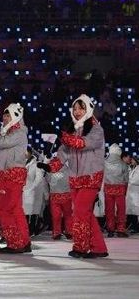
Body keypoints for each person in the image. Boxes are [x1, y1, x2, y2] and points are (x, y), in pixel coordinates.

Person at [56, 94, 108, 258]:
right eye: (75, 108)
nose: (77, 111)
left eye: (81, 108)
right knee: (84, 212)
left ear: (88, 109)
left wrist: (67, 138)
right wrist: (50, 166)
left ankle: (80, 246)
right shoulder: (72, 130)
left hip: (91, 176)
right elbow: (63, 154)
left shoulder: (96, 129)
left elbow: (83, 144)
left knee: (79, 211)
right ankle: (99, 248)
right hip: (75, 178)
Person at [0, 103, 31, 253]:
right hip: (8, 175)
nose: (4, 118)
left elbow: (2, 143)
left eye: (7, 115)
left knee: (3, 208)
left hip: (12, 175)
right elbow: (0, 151)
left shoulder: (19, 132)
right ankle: (24, 242)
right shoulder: (9, 133)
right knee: (16, 210)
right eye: (4, 116)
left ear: (15, 116)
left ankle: (15, 243)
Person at [38, 156, 72, 240]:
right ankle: (57, 233)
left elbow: (72, 182)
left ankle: (69, 231)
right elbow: (45, 184)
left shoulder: (68, 170)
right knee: (56, 216)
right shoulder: (49, 171)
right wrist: (46, 196)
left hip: (67, 195)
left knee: (68, 215)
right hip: (54, 196)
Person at [103, 144, 129, 237]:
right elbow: (126, 178)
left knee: (109, 210)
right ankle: (120, 230)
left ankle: (110, 230)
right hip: (120, 189)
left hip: (108, 188)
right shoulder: (123, 164)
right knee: (121, 210)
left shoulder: (104, 162)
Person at [23, 148, 44, 236]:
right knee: (24, 213)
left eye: (26, 151)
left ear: (30, 153)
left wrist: (32, 188)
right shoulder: (21, 162)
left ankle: (31, 231)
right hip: (23, 190)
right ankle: (24, 231)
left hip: (31, 192)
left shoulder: (36, 164)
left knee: (31, 213)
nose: (24, 153)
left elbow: (38, 178)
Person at [126, 156, 139, 233]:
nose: (131, 161)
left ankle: (136, 228)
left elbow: (136, 180)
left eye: (133, 160)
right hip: (131, 192)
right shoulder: (131, 168)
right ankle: (134, 227)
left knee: (136, 211)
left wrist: (128, 180)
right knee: (132, 211)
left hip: (136, 192)